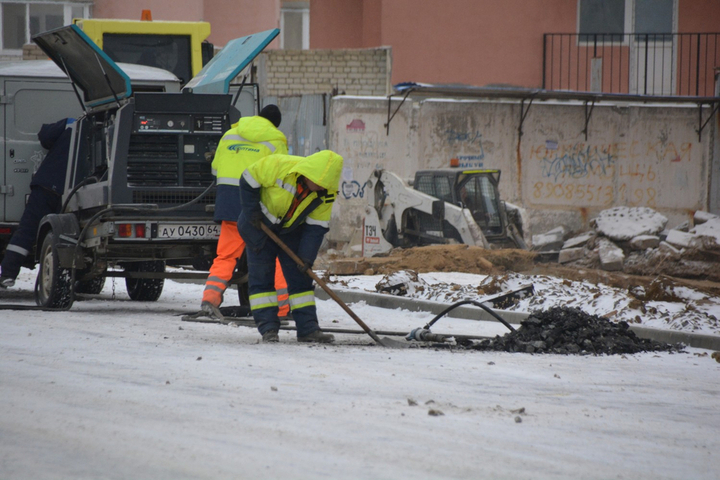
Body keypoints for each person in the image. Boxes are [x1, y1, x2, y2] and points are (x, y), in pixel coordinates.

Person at [237, 150, 344, 343]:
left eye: (325, 185)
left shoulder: (325, 194)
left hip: (291, 231)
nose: (320, 188)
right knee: (262, 279)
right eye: (319, 183)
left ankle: (308, 329)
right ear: (309, 174)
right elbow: (247, 180)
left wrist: (306, 258)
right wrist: (252, 212)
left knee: (300, 278)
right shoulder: (278, 165)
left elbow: (316, 228)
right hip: (258, 226)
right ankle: (268, 328)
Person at [200, 105, 290, 318]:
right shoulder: (276, 139)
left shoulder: (231, 134)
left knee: (226, 255)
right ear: (275, 124)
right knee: (274, 255)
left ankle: (209, 299)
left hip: (228, 202)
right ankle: (284, 308)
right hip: (256, 206)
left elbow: (215, 169)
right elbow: (282, 177)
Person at [0, 118, 74, 288]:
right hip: (71, 192)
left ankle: (8, 274)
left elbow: (45, 135)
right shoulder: (108, 131)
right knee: (62, 235)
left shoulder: (72, 123)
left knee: (27, 230)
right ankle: (58, 280)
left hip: (47, 185)